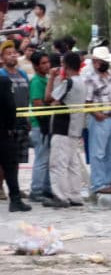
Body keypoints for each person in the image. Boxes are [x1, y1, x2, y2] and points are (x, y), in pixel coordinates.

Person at [45, 51, 86, 208]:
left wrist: (52, 78)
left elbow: (49, 98)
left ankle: (60, 196)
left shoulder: (69, 83)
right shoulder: (81, 82)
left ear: (66, 65)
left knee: (58, 164)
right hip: (75, 127)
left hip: (63, 127)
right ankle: (75, 195)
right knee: (72, 163)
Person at [82, 46, 111, 196]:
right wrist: (96, 114)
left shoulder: (109, 74)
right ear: (97, 62)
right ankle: (98, 183)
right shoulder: (90, 78)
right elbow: (87, 101)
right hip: (101, 119)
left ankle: (107, 181)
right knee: (98, 153)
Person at [0, 42, 30, 211]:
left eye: (14, 53)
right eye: (8, 53)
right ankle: (14, 198)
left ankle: (15, 197)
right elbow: (10, 107)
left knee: (14, 162)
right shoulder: (3, 80)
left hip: (16, 125)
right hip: (6, 129)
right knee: (10, 164)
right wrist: (11, 125)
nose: (12, 56)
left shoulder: (21, 75)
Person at [27, 50, 53, 201]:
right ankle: (36, 190)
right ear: (36, 66)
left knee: (47, 159)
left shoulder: (46, 79)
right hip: (40, 125)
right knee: (41, 159)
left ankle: (45, 188)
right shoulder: (37, 81)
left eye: (47, 62)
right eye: (43, 63)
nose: (47, 65)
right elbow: (37, 104)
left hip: (47, 124)